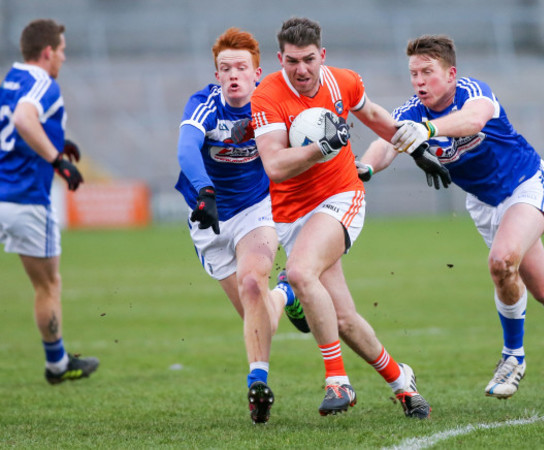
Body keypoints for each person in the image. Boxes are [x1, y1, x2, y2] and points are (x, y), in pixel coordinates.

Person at [359, 34, 544, 399]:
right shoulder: (412, 111)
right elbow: (385, 141)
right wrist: (366, 168)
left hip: (528, 185)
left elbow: (473, 120)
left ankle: (513, 358)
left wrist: (429, 129)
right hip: (486, 205)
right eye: (413, 74)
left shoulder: (472, 92)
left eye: (427, 72)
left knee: (501, 261)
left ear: (451, 74)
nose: (419, 81)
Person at [251, 17, 438, 418]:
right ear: (279, 59)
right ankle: (402, 381)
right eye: (291, 61)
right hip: (291, 214)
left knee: (300, 275)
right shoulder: (266, 95)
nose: (301, 70)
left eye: (309, 60)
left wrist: (415, 146)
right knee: (343, 319)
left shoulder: (343, 82)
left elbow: (372, 115)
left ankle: (337, 380)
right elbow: (275, 166)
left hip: (341, 196)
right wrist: (319, 148)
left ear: (323, 56)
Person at [174, 27, 311, 425]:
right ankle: (287, 294)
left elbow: (305, 139)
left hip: (257, 209)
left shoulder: (271, 103)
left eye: (241, 67)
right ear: (216, 75)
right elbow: (186, 147)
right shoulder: (203, 104)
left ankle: (257, 384)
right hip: (209, 215)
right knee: (261, 315)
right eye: (225, 68)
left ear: (257, 72)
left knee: (253, 283)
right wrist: (204, 191)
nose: (233, 75)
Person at [0, 19, 99, 384]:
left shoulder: (10, 79)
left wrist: (56, 142)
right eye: (61, 50)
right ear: (46, 52)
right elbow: (26, 120)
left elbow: (16, 126)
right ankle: (57, 364)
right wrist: (57, 161)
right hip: (26, 200)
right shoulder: (44, 82)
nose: (63, 57)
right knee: (47, 285)